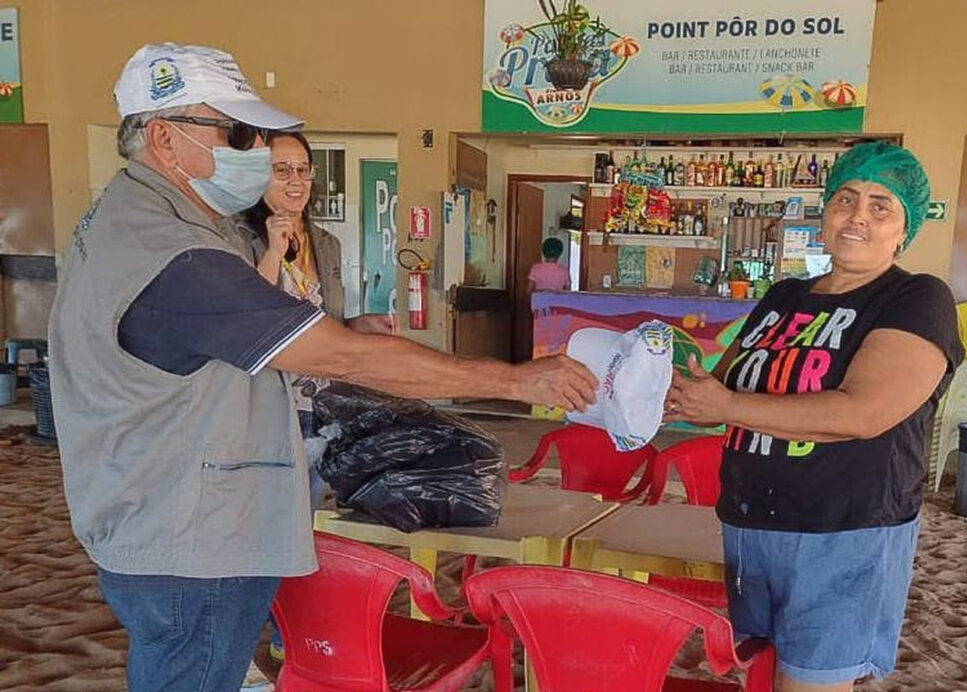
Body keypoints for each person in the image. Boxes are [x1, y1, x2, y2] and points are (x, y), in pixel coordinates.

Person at [48, 43, 596, 692]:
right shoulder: (171, 251)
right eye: (237, 132)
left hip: (164, 510)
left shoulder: (159, 217)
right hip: (188, 538)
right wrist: (514, 380)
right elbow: (334, 355)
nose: (254, 152)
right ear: (164, 138)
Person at [665, 141, 964, 692]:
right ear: (824, 212)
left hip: (845, 530)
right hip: (751, 524)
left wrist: (725, 406)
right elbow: (724, 391)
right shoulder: (784, 296)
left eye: (881, 206)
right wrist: (663, 381)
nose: (858, 217)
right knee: (758, 672)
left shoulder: (917, 298)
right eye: (845, 199)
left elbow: (863, 413)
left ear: (905, 228)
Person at [238, 130, 392, 508]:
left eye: (303, 170)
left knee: (313, 507)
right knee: (271, 509)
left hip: (322, 401)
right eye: (281, 169)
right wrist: (274, 250)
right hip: (269, 404)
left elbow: (323, 320)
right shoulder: (239, 237)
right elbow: (244, 317)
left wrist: (357, 325)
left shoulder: (325, 242)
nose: (295, 180)